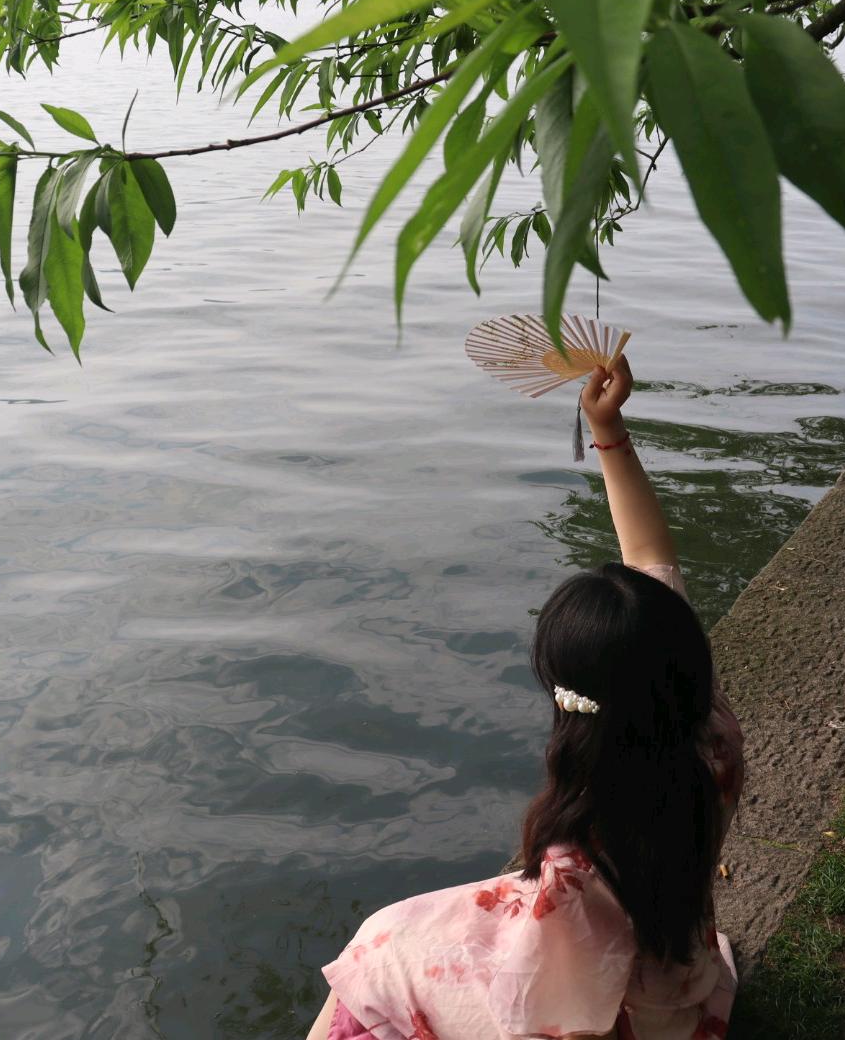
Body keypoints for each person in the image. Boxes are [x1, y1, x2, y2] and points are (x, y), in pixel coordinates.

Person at [306, 356, 744, 1040]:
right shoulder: (707, 732)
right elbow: (651, 557)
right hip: (679, 978)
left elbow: (550, 990)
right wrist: (607, 427)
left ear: (562, 692)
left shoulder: (583, 840)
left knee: (377, 951)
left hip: (625, 1017)